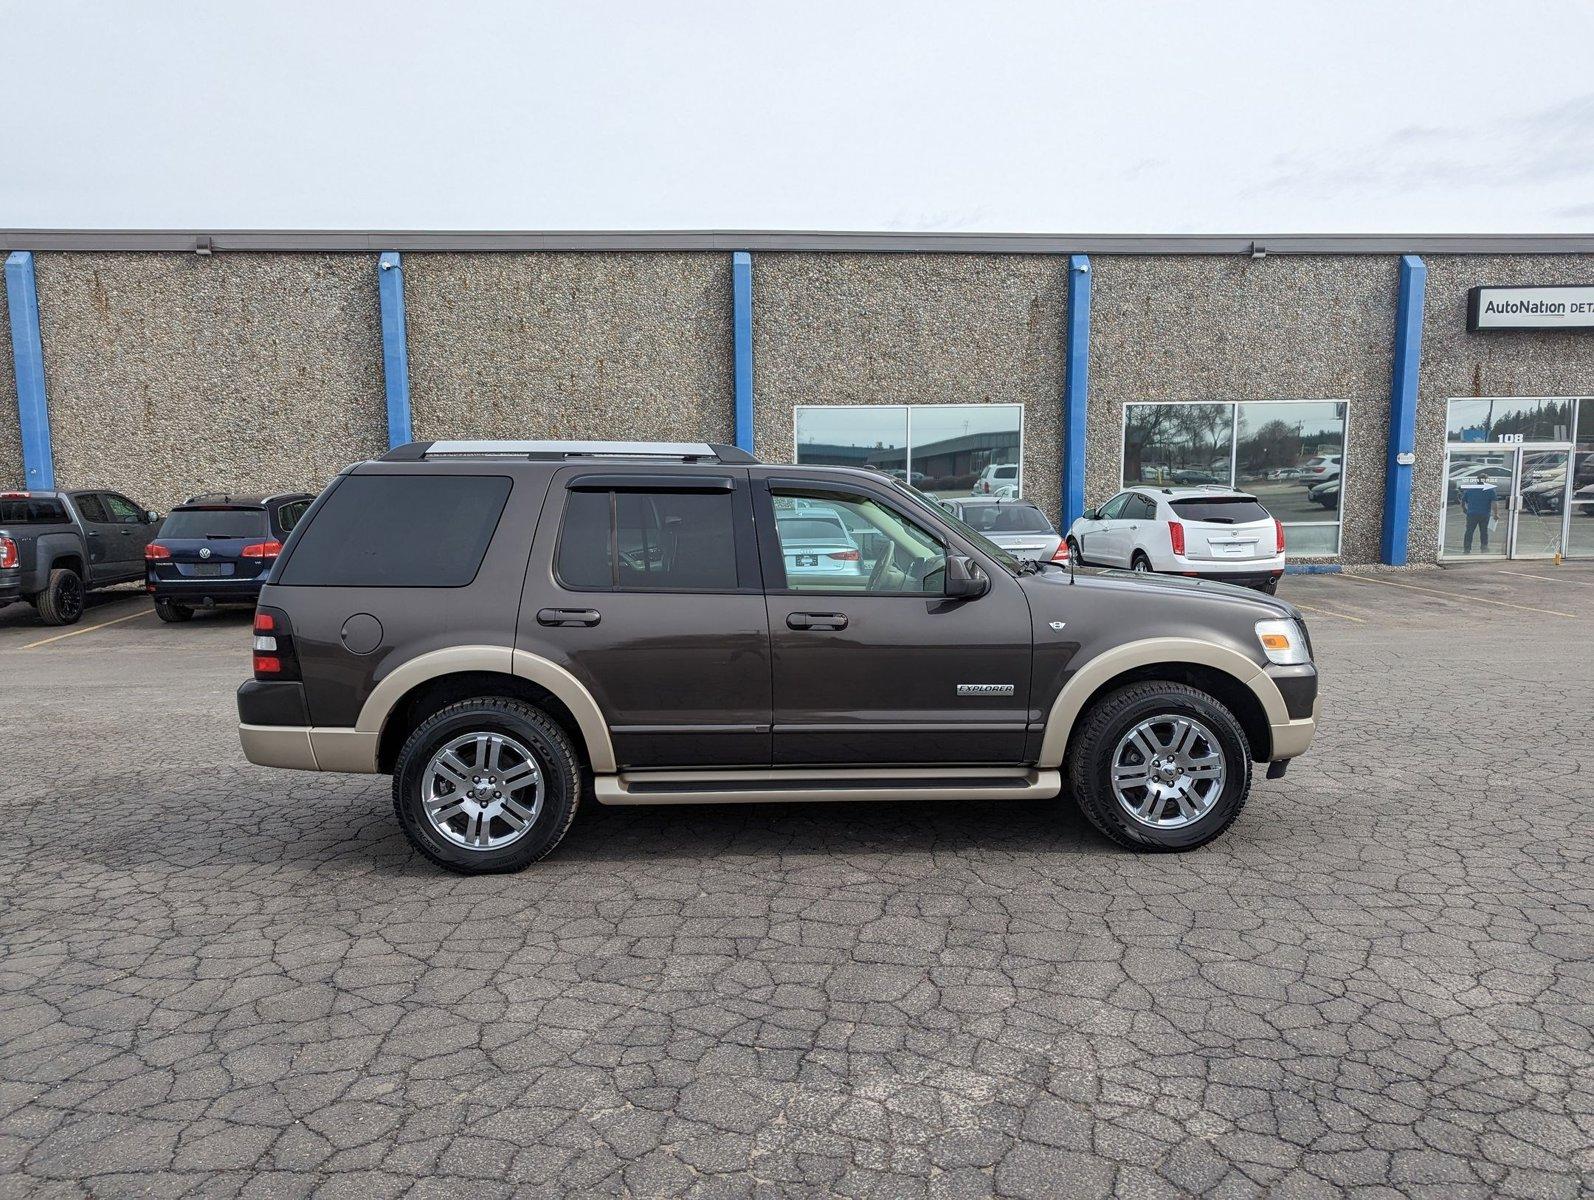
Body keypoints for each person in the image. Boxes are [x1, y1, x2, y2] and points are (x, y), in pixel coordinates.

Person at [1461, 480, 1497, 553]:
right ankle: (1484, 548)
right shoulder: (1490, 491)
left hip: (1472, 514)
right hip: (1484, 514)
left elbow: (1463, 500)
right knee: (1484, 532)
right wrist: (1496, 513)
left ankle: (1467, 549)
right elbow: (1494, 503)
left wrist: (1464, 508)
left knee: (1469, 531)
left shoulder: (1470, 490)